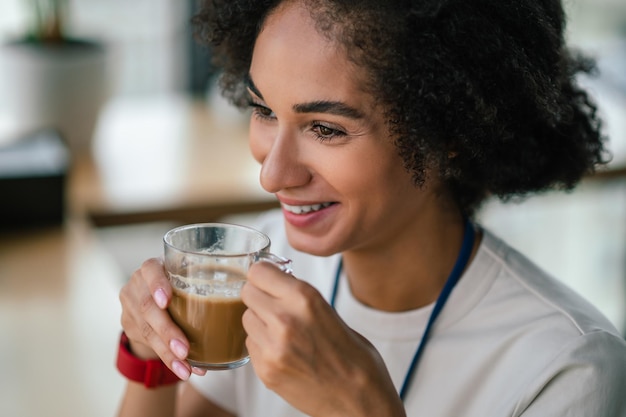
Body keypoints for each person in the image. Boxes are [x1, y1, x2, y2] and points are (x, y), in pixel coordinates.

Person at [116, 0, 626, 416]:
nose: (272, 174)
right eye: (264, 110)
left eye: (326, 129)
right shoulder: (260, 268)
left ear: (444, 129)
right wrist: (149, 355)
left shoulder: (568, 368)